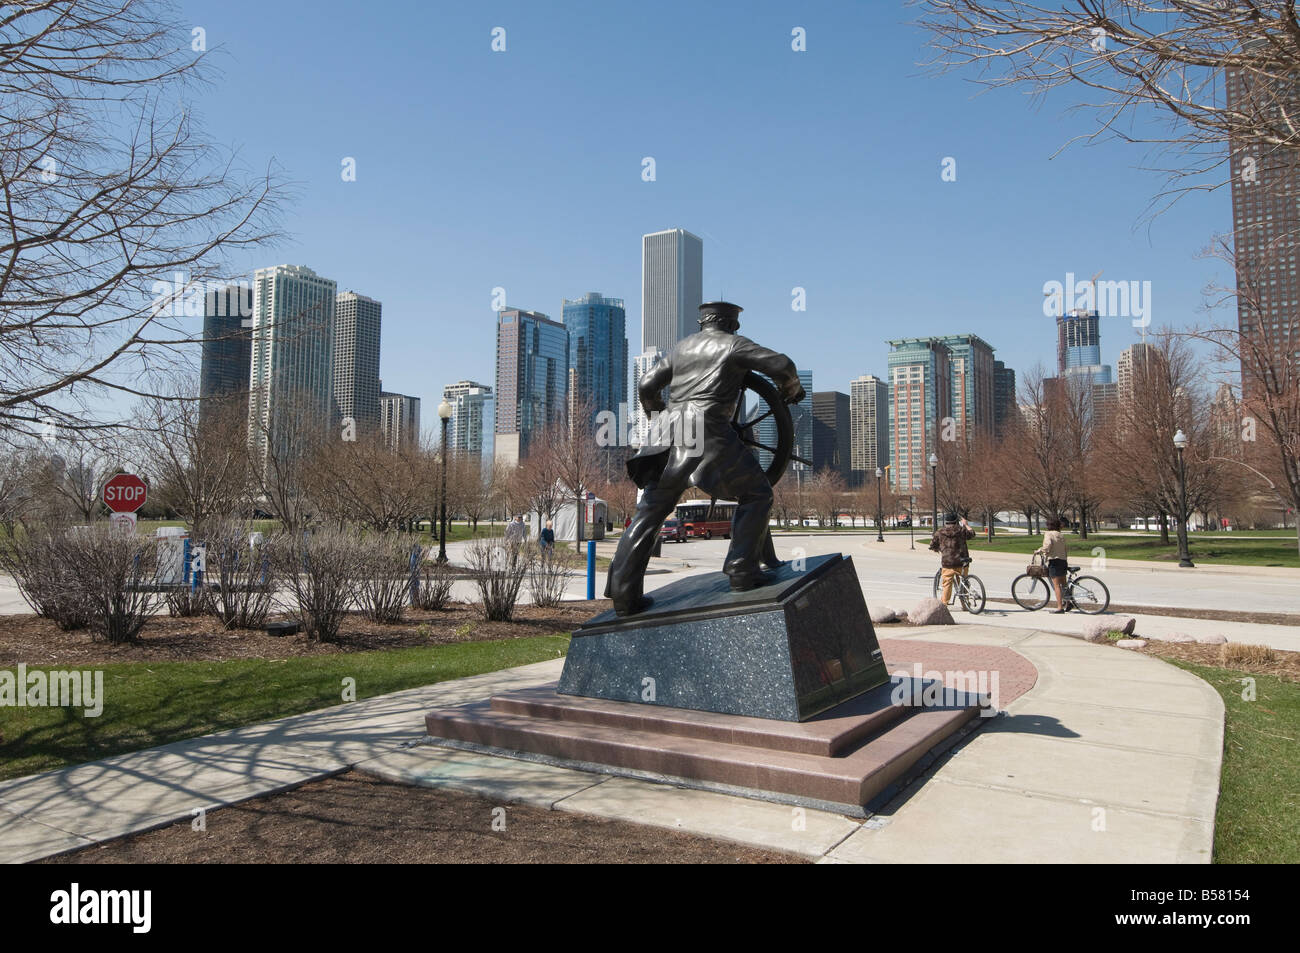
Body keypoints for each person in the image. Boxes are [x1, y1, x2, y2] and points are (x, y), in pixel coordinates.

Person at [604, 300, 805, 616]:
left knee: (651, 511)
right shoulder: (732, 345)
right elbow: (783, 365)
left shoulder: (682, 348)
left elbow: (646, 385)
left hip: (668, 433)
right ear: (731, 324)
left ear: (702, 323)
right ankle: (741, 569)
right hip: (708, 427)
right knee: (757, 493)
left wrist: (661, 417)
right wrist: (791, 388)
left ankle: (623, 593)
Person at [929, 512, 975, 607]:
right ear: (956, 521)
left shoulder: (940, 532)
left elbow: (932, 545)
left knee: (947, 583)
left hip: (948, 562)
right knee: (964, 582)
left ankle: (944, 605)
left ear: (946, 521)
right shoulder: (961, 530)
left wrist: (936, 549)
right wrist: (966, 524)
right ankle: (965, 604)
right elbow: (972, 534)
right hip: (962, 561)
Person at [1034, 517, 1071, 612]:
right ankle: (1068, 603)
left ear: (1049, 526)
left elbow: (1047, 546)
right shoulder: (1061, 535)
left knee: (1057, 585)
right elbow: (1065, 549)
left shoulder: (1049, 534)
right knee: (1064, 584)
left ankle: (1060, 607)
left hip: (1054, 561)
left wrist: (1039, 551)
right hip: (1063, 561)